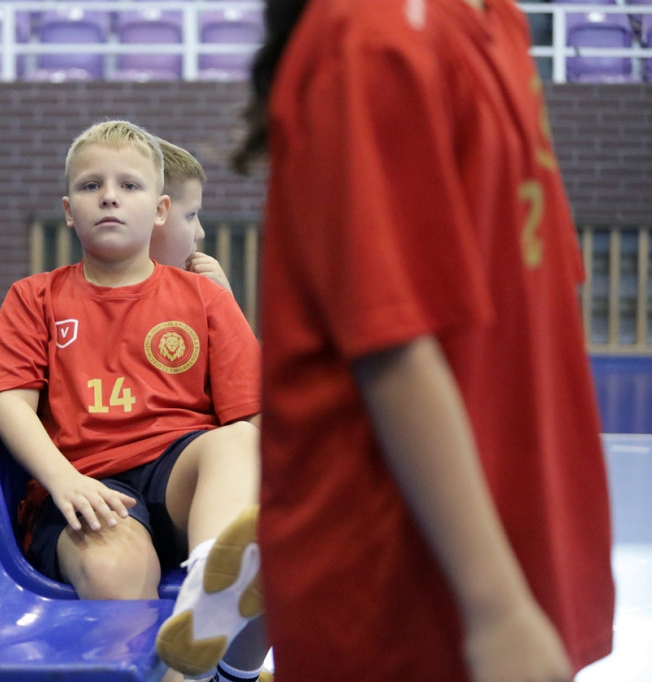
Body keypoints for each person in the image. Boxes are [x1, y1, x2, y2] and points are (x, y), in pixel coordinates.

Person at [232, 0, 615, 680]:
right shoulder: (367, 33)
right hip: (405, 583)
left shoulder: (501, 21)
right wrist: (495, 608)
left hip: (509, 538)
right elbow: (393, 347)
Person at [0, 120, 268, 682]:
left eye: (129, 186)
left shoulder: (204, 298)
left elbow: (253, 418)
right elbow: (10, 406)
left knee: (238, 442)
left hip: (178, 476)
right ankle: (172, 672)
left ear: (160, 210)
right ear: (68, 210)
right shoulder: (33, 297)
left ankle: (217, 585)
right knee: (114, 565)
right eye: (91, 186)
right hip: (90, 490)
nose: (109, 195)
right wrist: (64, 481)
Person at [149, 137, 232, 294]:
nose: (200, 233)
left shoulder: (198, 292)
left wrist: (223, 301)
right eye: (191, 215)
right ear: (158, 211)